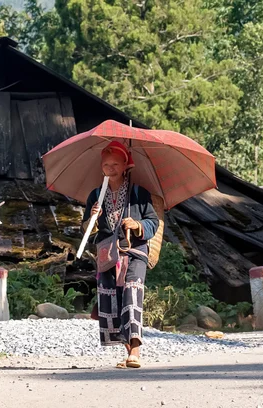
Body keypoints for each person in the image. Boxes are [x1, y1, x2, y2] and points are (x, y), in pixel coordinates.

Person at [82, 141, 159, 368]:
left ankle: (135, 348)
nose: (110, 168)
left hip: (134, 251)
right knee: (112, 299)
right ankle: (127, 350)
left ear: (126, 165)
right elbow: (85, 229)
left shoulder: (139, 193)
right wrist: (93, 218)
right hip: (108, 254)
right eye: (106, 164)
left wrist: (136, 224)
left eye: (116, 163)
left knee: (131, 293)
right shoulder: (96, 195)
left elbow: (153, 222)